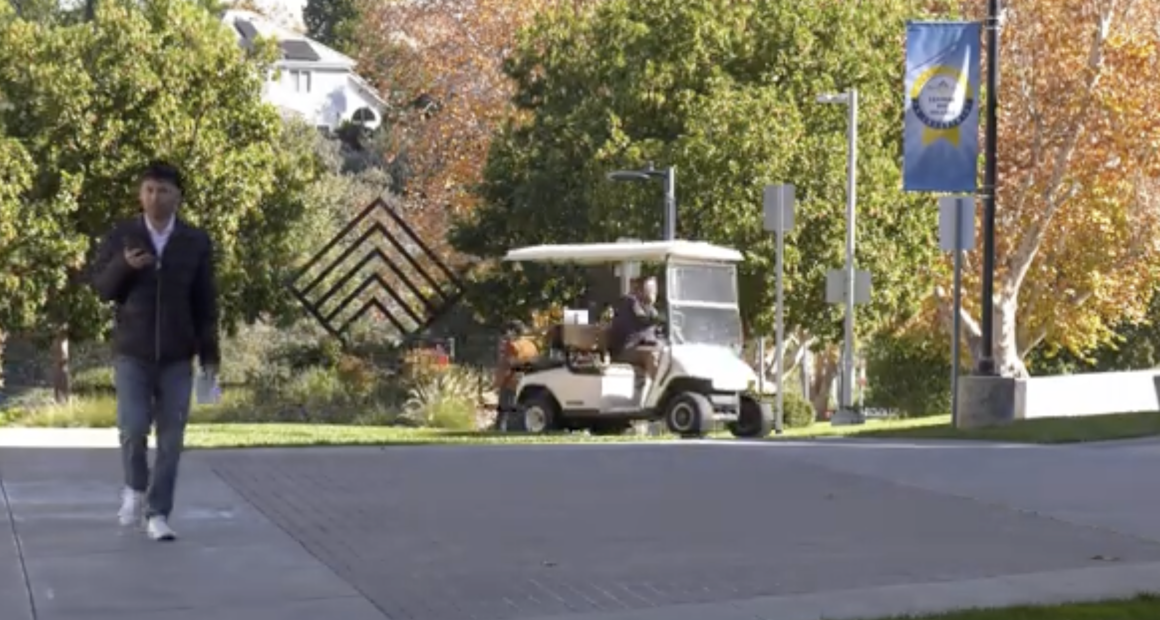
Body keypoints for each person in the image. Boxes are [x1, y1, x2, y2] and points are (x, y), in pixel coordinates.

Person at [90, 161, 220, 542]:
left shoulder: (195, 241)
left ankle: (158, 513)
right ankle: (134, 488)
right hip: (134, 351)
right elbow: (101, 288)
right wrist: (123, 267)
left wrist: (210, 361)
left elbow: (206, 304)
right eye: (148, 189)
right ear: (139, 194)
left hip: (179, 356)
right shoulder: (123, 235)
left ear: (178, 196)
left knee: (172, 437)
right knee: (132, 427)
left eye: (163, 190)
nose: (154, 197)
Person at [607, 275, 662, 377]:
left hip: (640, 347)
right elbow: (644, 317)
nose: (655, 293)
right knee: (651, 355)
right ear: (640, 291)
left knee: (665, 353)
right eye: (651, 290)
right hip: (626, 349)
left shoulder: (648, 307)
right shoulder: (630, 302)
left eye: (655, 290)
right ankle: (659, 390)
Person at [494, 320, 538, 429]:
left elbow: (510, 363)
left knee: (504, 409)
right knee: (521, 407)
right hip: (526, 379)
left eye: (508, 331)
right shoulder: (531, 345)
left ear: (514, 331)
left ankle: (501, 430)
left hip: (510, 380)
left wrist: (500, 380)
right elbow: (535, 361)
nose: (506, 334)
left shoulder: (512, 345)